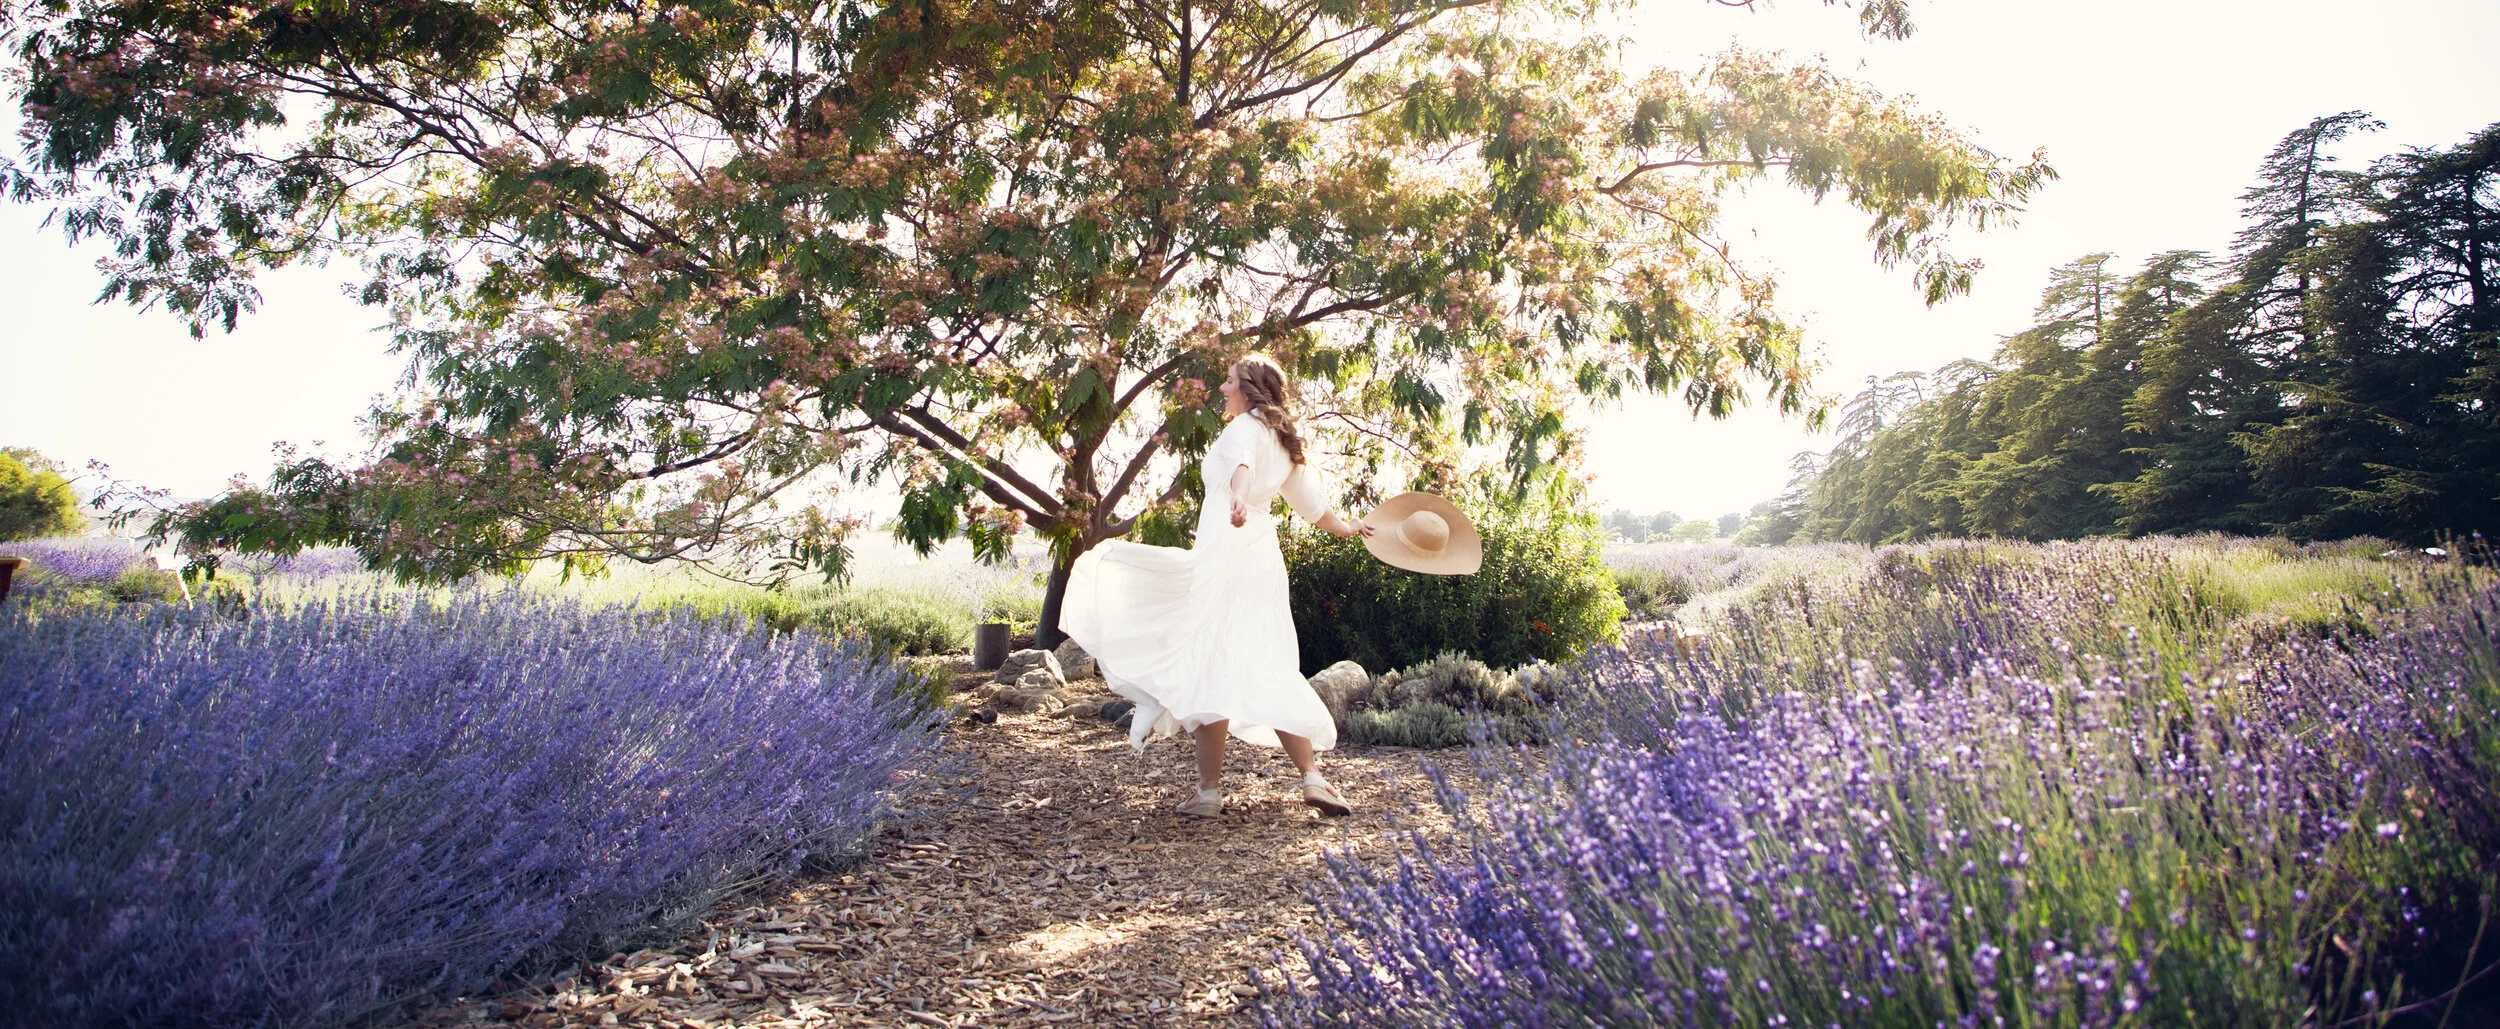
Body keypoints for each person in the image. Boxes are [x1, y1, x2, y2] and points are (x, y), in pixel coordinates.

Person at [1059, 354, 1374, 818]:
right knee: (1264, 660)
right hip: (1262, 561)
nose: (1222, 389)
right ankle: (1312, 778)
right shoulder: (1284, 443)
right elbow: (1313, 508)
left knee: (1211, 660)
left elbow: (1241, 469)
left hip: (1227, 554)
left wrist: (1240, 501)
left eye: (1228, 381)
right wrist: (1349, 528)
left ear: (1248, 389)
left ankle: (1209, 792)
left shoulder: (1244, 428)